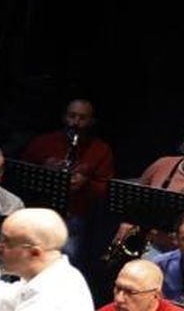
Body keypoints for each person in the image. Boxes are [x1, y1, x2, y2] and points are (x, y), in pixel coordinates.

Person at [111, 126, 184, 252]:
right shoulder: (162, 164)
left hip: (183, 249)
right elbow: (134, 196)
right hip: (144, 238)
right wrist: (128, 222)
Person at [19, 99, 116, 244]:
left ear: (91, 122)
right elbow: (20, 174)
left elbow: (106, 189)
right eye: (72, 116)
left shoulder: (101, 149)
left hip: (75, 216)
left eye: (82, 118)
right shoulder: (43, 142)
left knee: (70, 257)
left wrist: (85, 183)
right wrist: (44, 170)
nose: (75, 123)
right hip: (40, 211)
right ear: (64, 117)